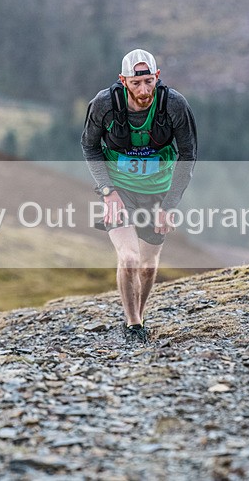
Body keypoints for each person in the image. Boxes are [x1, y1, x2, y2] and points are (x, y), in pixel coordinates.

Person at [81, 49, 197, 344]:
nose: (144, 90)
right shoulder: (105, 104)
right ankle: (132, 323)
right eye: (136, 83)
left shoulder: (174, 105)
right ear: (123, 80)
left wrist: (169, 206)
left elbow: (188, 155)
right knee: (130, 258)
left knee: (147, 266)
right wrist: (108, 192)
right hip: (120, 190)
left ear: (157, 77)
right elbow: (90, 147)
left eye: (149, 81)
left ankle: (140, 315)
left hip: (159, 190)